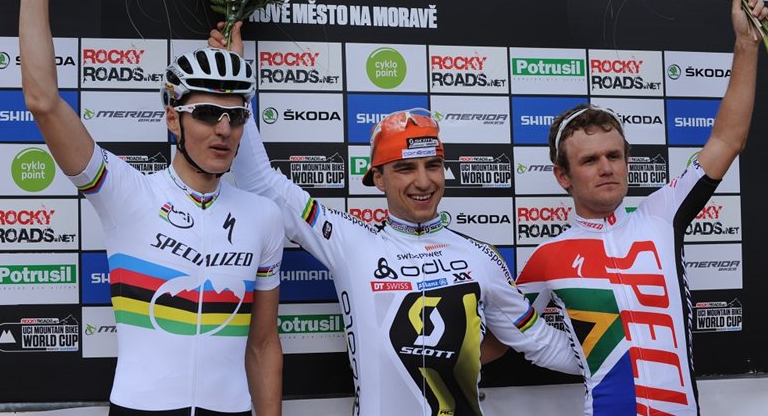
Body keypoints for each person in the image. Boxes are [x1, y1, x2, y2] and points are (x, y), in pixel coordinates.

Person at [209, 25, 580, 416]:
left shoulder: (481, 257)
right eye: (405, 168)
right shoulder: (350, 242)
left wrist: (620, 360)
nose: (423, 182)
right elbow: (261, 182)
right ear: (378, 179)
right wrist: (235, 83)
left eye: (432, 165)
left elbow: (541, 343)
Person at [11, 0, 284, 416]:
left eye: (236, 116)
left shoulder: (263, 216)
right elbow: (43, 102)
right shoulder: (128, 193)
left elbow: (264, 345)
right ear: (173, 119)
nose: (223, 129)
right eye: (207, 113)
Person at [515, 0, 768, 415]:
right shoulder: (546, 256)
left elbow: (728, 139)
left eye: (614, 156)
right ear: (563, 176)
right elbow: (505, 332)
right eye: (590, 160)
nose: (606, 167)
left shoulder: (661, 214)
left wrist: (746, 44)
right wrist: (581, 354)